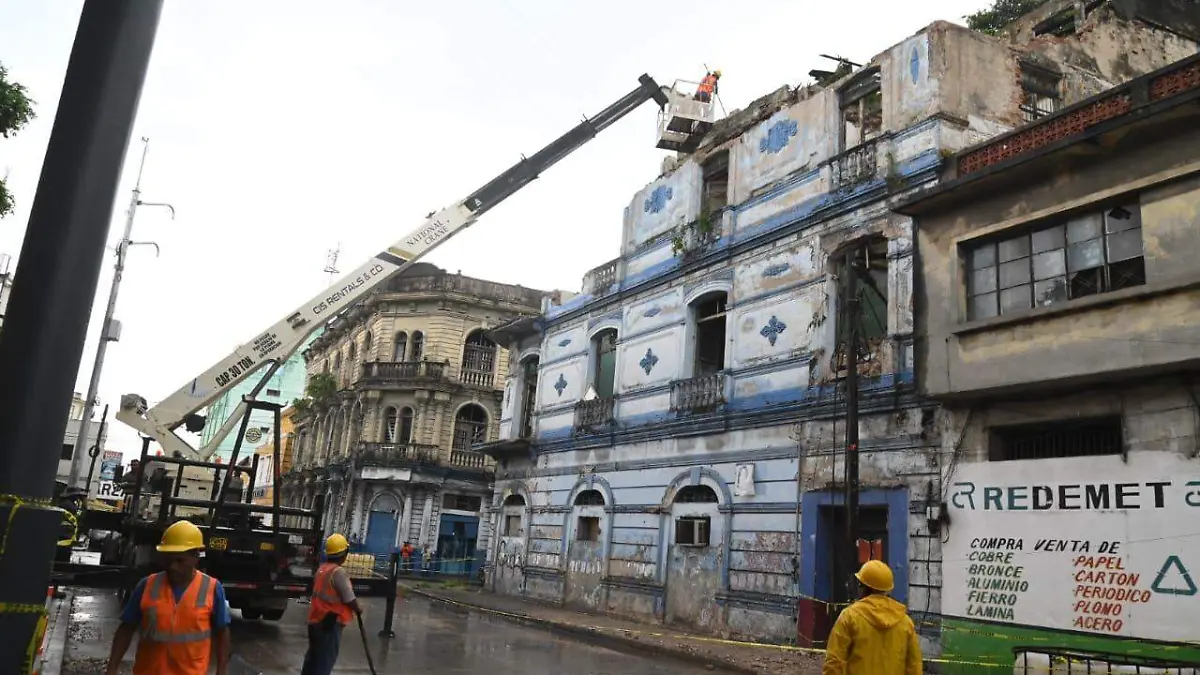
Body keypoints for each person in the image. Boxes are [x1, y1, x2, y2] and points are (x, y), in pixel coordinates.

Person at [104, 520, 231, 675]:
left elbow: (222, 632)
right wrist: (111, 669)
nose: (173, 567)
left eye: (180, 560)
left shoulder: (212, 588)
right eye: (168, 560)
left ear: (196, 556)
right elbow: (126, 629)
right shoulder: (147, 585)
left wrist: (222, 670)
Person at [821, 560, 922, 675]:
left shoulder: (849, 617)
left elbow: (834, 662)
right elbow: (914, 666)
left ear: (863, 587)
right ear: (887, 590)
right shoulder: (905, 622)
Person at [301, 533, 364, 675]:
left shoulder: (322, 569)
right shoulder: (338, 572)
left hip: (316, 620)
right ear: (344, 553)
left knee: (313, 659)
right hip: (329, 623)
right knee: (324, 661)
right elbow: (349, 598)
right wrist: (358, 608)